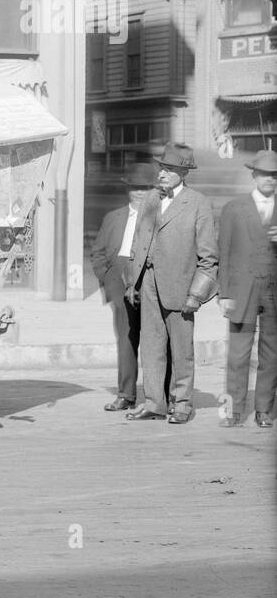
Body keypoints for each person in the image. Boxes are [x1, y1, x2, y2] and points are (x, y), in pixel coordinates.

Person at [124, 143, 219, 425]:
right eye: (161, 167)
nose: (162, 173)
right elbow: (137, 245)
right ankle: (154, 402)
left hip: (181, 288)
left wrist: (197, 295)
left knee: (181, 351)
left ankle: (183, 404)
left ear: (183, 172)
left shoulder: (198, 203)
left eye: (169, 169)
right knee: (151, 347)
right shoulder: (151, 199)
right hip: (149, 282)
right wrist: (133, 283)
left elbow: (209, 258)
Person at [90, 162, 159, 412]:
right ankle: (126, 394)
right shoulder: (114, 217)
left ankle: (159, 396)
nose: (140, 193)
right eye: (135, 188)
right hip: (119, 279)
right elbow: (97, 253)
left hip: (150, 277)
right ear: (127, 190)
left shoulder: (160, 216)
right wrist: (108, 279)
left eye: (146, 188)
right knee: (126, 338)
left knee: (155, 339)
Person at [217, 149, 277, 429]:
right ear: (254, 175)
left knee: (272, 353)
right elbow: (224, 253)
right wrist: (224, 293)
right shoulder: (234, 208)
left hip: (273, 291)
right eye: (265, 174)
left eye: (275, 175)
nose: (270, 180)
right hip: (242, 291)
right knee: (238, 355)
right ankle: (234, 411)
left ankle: (264, 410)